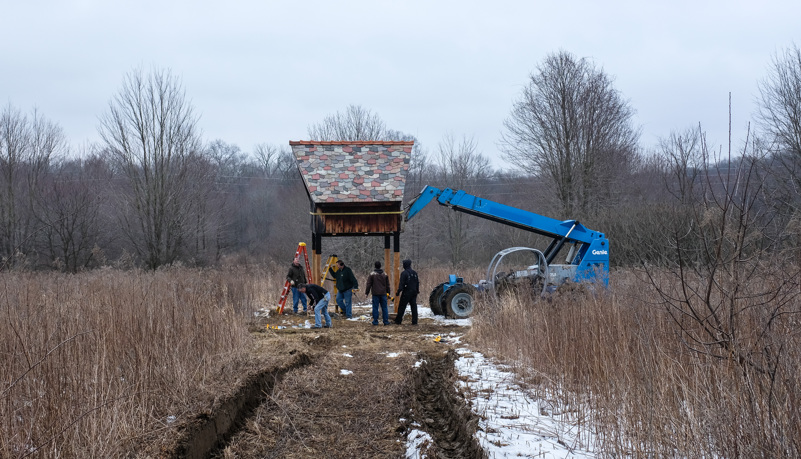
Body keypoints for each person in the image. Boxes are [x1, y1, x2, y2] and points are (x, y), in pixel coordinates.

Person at [394, 259, 420, 325]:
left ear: (405, 265)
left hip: (407, 292)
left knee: (402, 306)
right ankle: (414, 321)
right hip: (414, 292)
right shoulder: (414, 273)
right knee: (414, 307)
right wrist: (417, 290)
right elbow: (417, 282)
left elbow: (401, 284)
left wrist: (398, 292)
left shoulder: (404, 273)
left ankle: (398, 321)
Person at [365, 261, 390, 325]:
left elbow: (369, 284)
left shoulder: (372, 274)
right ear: (380, 266)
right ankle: (386, 321)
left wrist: (366, 293)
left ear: (375, 266)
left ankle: (375, 321)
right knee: (384, 308)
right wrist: (388, 292)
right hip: (383, 293)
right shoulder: (385, 274)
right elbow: (388, 284)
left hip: (375, 294)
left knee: (375, 308)